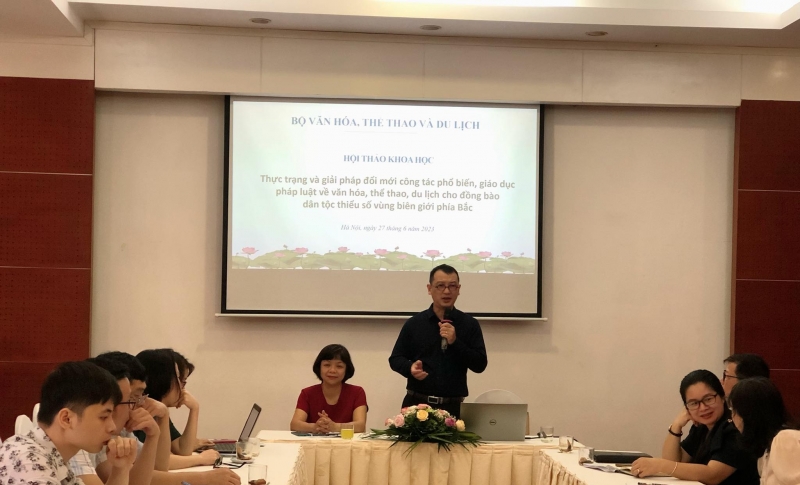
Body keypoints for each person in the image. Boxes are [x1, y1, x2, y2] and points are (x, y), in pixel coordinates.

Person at [0, 361, 137, 485]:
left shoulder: (55, 459)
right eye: (103, 417)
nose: (112, 427)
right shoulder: (28, 461)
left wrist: (121, 469)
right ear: (67, 419)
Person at [389, 264, 487, 418]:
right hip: (417, 406)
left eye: (452, 286)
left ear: (459, 289)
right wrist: (410, 368)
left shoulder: (469, 324)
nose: (446, 291)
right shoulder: (415, 323)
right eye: (440, 286)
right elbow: (395, 359)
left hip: (453, 408)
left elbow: (480, 364)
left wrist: (455, 342)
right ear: (429, 289)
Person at [631, 369, 759, 485]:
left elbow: (712, 475)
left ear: (721, 396)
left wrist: (661, 465)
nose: (702, 408)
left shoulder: (735, 427)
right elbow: (675, 461)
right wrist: (676, 425)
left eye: (708, 399)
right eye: (694, 403)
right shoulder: (701, 427)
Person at [68, 356, 170, 485]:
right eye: (132, 399)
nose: (136, 407)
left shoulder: (95, 436)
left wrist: (153, 436)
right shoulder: (75, 438)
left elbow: (136, 480)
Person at [135, 349, 217, 470]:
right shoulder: (139, 413)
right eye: (181, 381)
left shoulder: (159, 412)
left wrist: (194, 409)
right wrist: (201, 459)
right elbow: (158, 462)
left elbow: (182, 449)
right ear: (163, 379)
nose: (183, 389)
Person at [728, 377, 800, 485]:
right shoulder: (765, 450)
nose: (732, 417)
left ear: (748, 414)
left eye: (734, 410)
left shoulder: (785, 439)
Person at [291, 344, 368, 433]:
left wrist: (335, 427)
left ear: (346, 369)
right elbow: (294, 425)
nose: (332, 370)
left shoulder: (357, 392)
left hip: (347, 441)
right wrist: (315, 427)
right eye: (327, 365)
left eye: (339, 366)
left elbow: (360, 426)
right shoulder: (307, 393)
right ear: (319, 367)